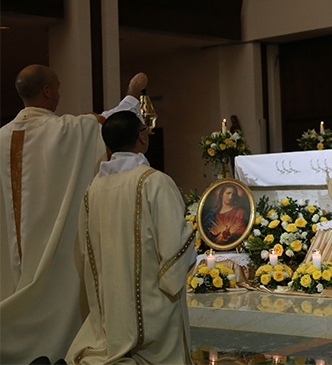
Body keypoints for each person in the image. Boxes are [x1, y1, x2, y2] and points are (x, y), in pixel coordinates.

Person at [0, 64, 147, 364]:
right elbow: (111, 124)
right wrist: (132, 95)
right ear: (48, 91)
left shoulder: (1, 138)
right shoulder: (67, 130)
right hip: (54, 255)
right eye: (58, 87)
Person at [65, 111, 196, 364]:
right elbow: (175, 249)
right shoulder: (155, 182)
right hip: (151, 309)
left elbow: (85, 248)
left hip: (112, 303)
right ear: (142, 138)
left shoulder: (93, 189)